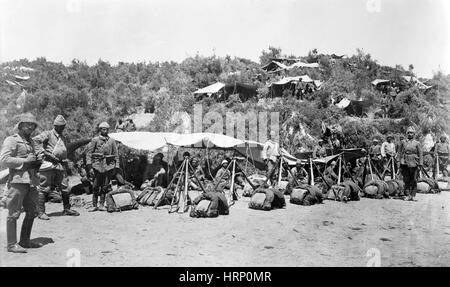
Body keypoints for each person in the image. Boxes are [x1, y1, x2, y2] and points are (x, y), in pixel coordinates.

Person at [0, 113, 43, 253]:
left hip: (31, 181)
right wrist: (25, 161)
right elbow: (4, 160)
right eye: (27, 124)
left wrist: (37, 161)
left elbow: (33, 158)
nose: (30, 127)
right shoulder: (11, 140)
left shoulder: (31, 141)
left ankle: (24, 241)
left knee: (32, 211)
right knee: (14, 213)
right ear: (20, 125)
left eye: (33, 125)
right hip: (18, 181)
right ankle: (11, 245)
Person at [33, 115, 80, 220]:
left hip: (59, 165)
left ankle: (67, 209)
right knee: (44, 187)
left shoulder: (62, 137)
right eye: (60, 126)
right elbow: (35, 141)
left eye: (63, 126)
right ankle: (40, 212)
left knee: (65, 187)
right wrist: (43, 153)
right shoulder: (47, 134)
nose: (62, 128)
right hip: (48, 164)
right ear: (55, 126)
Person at [86, 122, 119, 211]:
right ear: (100, 130)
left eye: (107, 129)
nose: (105, 131)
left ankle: (101, 204)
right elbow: (89, 154)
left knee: (105, 186)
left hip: (108, 166)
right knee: (95, 186)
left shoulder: (112, 141)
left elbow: (116, 154)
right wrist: (89, 167)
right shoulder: (95, 140)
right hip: (97, 166)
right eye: (103, 129)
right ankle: (94, 205)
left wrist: (116, 167)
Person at [397, 126, 423, 201]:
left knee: (414, 179)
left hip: (414, 162)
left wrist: (420, 164)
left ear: (414, 134)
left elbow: (420, 154)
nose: (409, 134)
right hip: (404, 162)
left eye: (411, 133)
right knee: (406, 179)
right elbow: (399, 152)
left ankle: (413, 195)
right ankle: (407, 194)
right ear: (406, 134)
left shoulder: (417, 143)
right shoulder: (403, 142)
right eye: (408, 133)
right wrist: (398, 161)